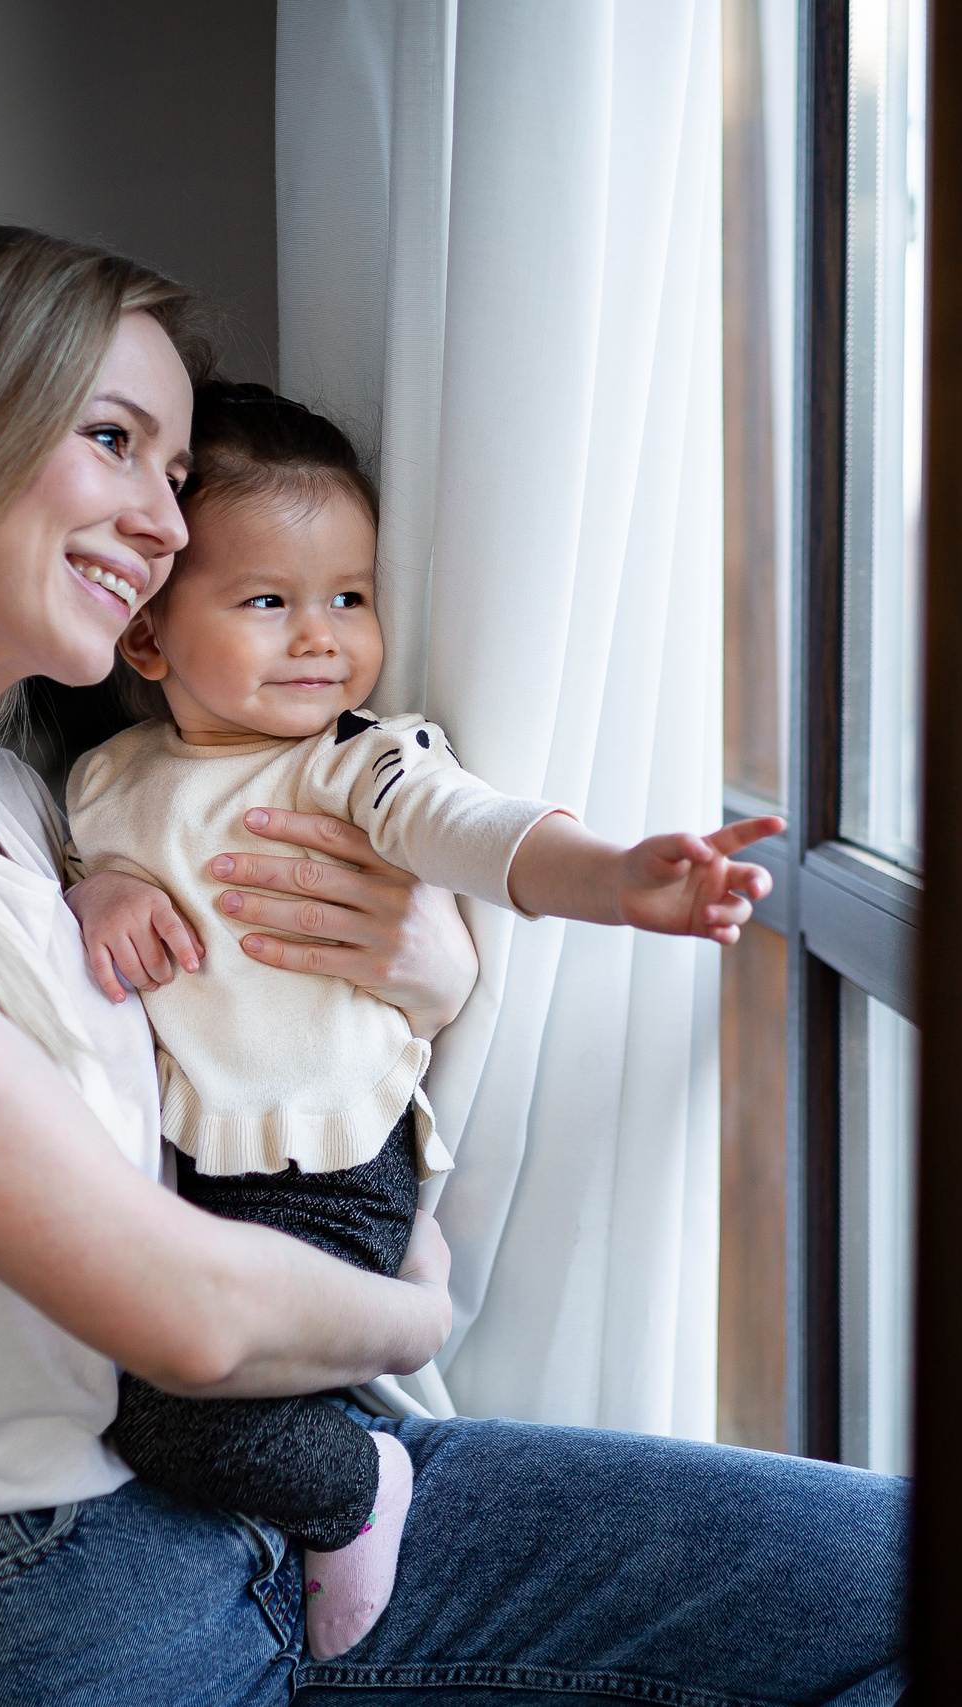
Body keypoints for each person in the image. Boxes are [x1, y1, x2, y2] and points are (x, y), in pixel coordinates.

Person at [0, 224, 906, 1707]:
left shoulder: (13, 802)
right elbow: (185, 1314)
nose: (164, 523)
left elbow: (245, 997)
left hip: (270, 1478)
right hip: (68, 1589)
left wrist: (434, 974)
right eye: (113, 442)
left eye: (173, 472)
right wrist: (418, 1301)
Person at [63, 380, 785, 1657]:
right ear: (149, 639)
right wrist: (101, 889)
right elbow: (77, 876)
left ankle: (359, 1485)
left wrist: (618, 878)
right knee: (120, 1379)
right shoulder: (105, 782)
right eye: (268, 602)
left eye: (349, 597)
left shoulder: (361, 759)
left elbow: (479, 831)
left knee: (167, 1414)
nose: (321, 638)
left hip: (331, 1172)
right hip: (192, 1176)